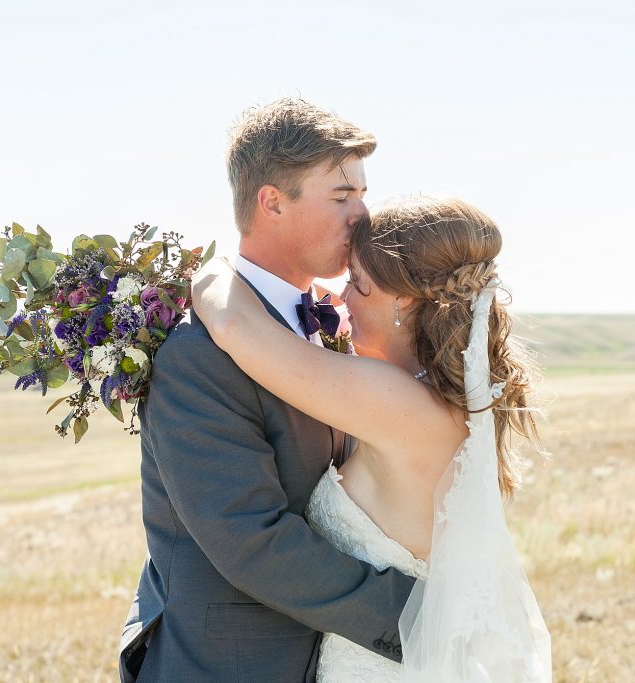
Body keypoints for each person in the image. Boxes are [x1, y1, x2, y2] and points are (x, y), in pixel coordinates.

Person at [191, 195, 552, 681]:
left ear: (403, 299)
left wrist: (210, 269)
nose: (340, 299)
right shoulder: (448, 402)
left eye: (357, 283)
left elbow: (233, 323)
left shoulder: (397, 402)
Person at [119, 98, 417, 682]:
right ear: (272, 202)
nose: (363, 214)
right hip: (226, 664)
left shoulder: (319, 326)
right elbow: (250, 539)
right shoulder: (196, 356)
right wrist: (419, 615)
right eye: (342, 196)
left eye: (362, 194)